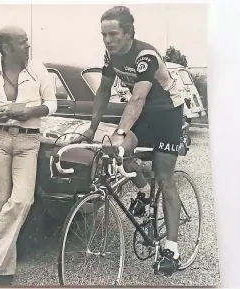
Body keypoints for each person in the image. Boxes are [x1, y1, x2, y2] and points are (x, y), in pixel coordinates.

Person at [72, 6, 185, 276]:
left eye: (113, 34)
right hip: (145, 115)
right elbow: (103, 89)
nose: (108, 40)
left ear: (129, 33)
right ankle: (144, 191)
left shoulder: (145, 56)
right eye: (103, 35)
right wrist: (92, 129)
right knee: (117, 152)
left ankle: (171, 248)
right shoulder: (111, 55)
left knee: (166, 178)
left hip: (167, 114)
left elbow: (137, 98)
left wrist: (120, 131)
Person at [0, 25, 57, 285]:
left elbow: (51, 105)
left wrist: (30, 111)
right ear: (7, 48)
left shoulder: (39, 70)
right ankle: (4, 273)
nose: (28, 45)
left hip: (28, 141)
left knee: (22, 200)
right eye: (23, 42)